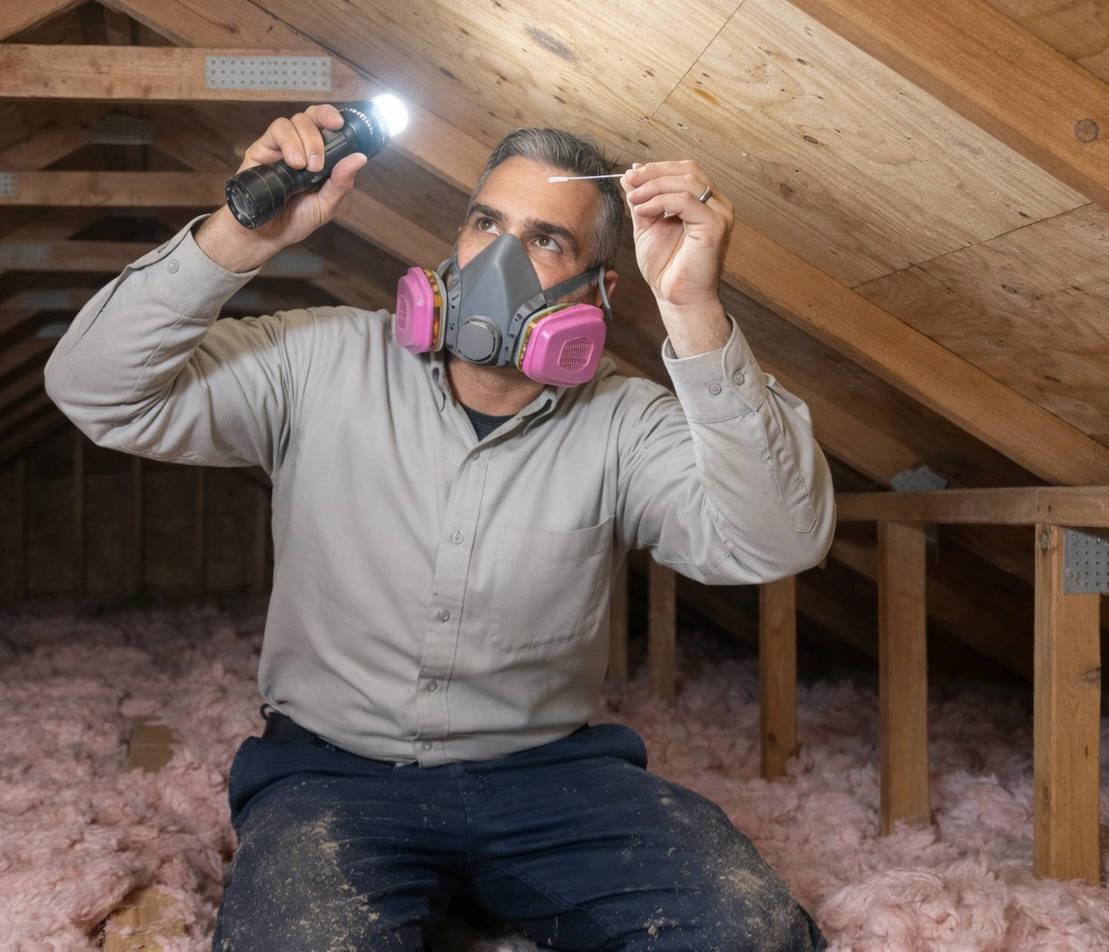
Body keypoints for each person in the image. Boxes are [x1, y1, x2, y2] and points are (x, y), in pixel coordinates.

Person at [45, 104, 834, 951]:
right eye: (485, 223)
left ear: (600, 290)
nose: (498, 256)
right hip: (332, 777)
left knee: (750, 934)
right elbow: (95, 389)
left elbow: (778, 539)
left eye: (544, 241)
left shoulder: (626, 423)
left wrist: (694, 310)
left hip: (552, 778)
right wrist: (241, 236)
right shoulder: (321, 363)